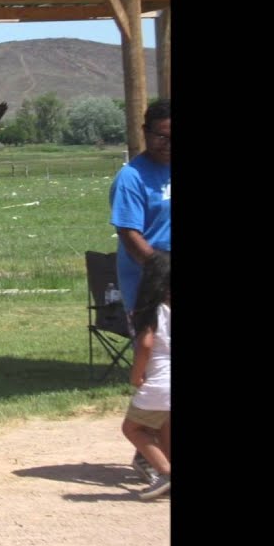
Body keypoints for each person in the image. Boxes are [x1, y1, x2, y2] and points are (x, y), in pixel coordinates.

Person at [109, 98, 170, 483]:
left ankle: (153, 450)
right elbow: (129, 233)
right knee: (157, 369)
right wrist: (162, 273)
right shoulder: (132, 177)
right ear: (146, 133)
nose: (167, 143)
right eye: (161, 136)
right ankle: (151, 453)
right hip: (151, 286)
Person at [121, 251, 171, 501]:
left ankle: (164, 472)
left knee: (132, 428)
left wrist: (136, 375)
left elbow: (147, 344)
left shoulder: (155, 311)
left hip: (160, 383)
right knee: (164, 427)